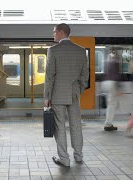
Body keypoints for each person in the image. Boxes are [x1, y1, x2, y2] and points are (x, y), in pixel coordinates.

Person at [44, 23, 89, 167]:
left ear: (61, 32)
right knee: (76, 126)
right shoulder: (81, 51)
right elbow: (84, 75)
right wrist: (78, 89)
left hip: (57, 95)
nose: (53, 35)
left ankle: (64, 159)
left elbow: (49, 76)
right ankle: (78, 156)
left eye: (54, 32)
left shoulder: (53, 50)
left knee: (60, 126)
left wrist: (47, 97)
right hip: (74, 94)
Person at [102, 51, 122, 131]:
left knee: (111, 104)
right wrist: (118, 88)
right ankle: (108, 124)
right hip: (112, 83)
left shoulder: (108, 62)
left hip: (107, 83)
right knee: (112, 105)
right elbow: (116, 76)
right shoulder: (116, 62)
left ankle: (108, 122)